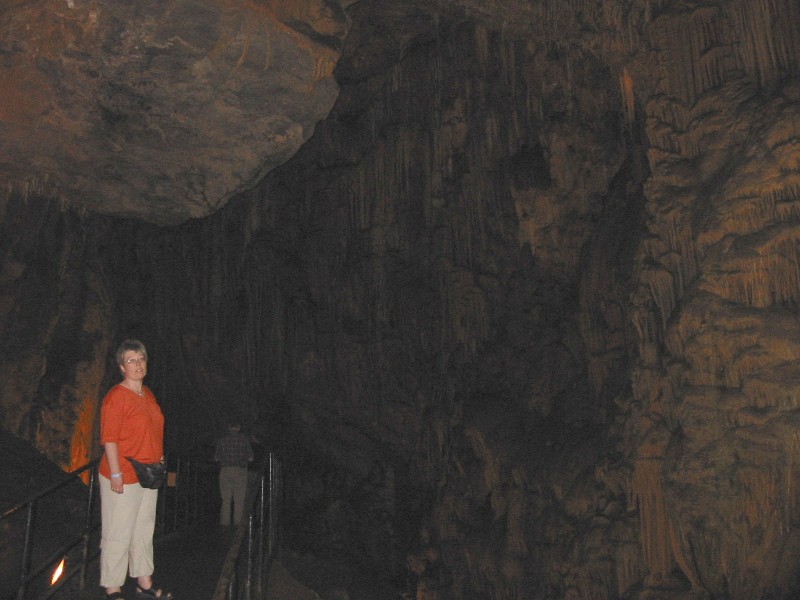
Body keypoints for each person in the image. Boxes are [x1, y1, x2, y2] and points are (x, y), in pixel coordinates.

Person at [98, 339, 172, 600]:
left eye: (141, 359)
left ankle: (144, 580)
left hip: (148, 474)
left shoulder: (147, 394)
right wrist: (116, 473)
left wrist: (159, 457)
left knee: (143, 529)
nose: (137, 364)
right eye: (131, 360)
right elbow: (109, 439)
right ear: (122, 367)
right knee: (118, 531)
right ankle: (112, 587)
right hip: (124, 473)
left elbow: (153, 430)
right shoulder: (116, 398)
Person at [214, 422, 254, 526]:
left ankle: (225, 522)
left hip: (225, 470)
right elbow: (251, 458)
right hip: (240, 471)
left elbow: (216, 458)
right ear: (238, 428)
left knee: (226, 499)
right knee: (239, 499)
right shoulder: (244, 440)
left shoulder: (222, 440)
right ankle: (238, 523)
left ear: (229, 428)